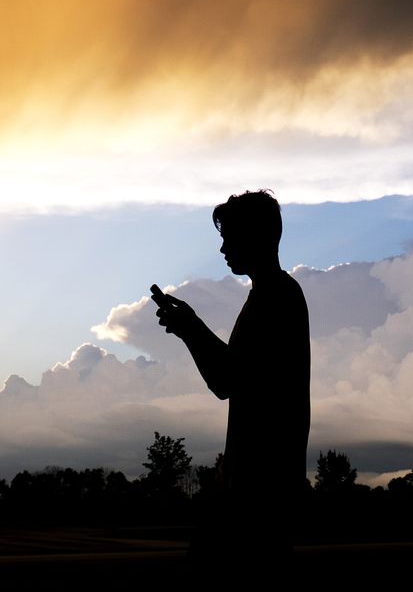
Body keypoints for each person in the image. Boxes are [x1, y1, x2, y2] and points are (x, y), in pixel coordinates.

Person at [151, 189, 309, 561]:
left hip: (258, 495)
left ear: (257, 237)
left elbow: (226, 380)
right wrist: (189, 327)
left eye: (229, 238)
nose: (223, 249)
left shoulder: (276, 298)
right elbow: (233, 377)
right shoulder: (273, 296)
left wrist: (189, 328)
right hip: (256, 491)